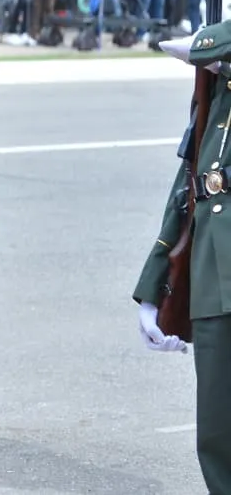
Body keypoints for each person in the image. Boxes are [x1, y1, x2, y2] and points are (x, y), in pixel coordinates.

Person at [135, 30, 231, 493]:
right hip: (215, 272)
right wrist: (154, 285)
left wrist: (208, 41)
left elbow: (205, 44)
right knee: (217, 434)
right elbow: (192, 181)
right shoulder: (219, 83)